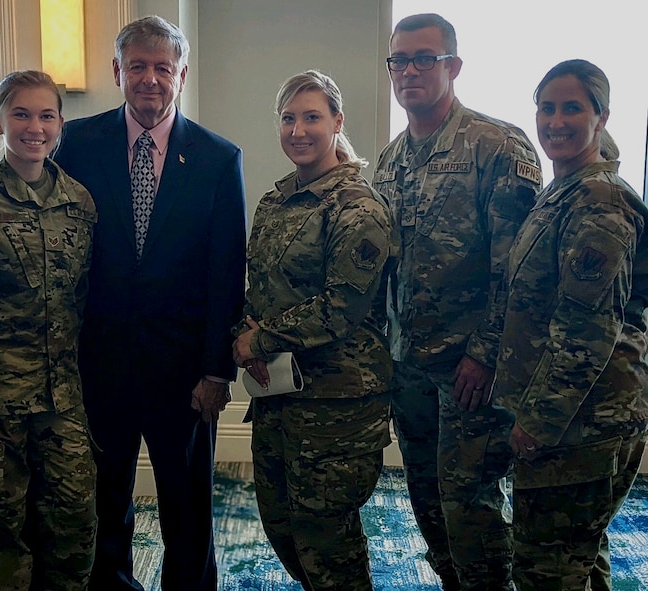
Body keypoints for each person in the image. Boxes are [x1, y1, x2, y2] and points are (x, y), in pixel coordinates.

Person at [52, 15, 247, 591]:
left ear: (182, 74)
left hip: (184, 374)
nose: (150, 79)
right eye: (137, 66)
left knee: (186, 509)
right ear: (117, 71)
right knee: (103, 502)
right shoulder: (76, 143)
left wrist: (217, 369)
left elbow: (225, 273)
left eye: (164, 68)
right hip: (99, 367)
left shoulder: (217, 158)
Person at [372, 13, 542, 591]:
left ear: (453, 66)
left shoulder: (496, 146)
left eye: (425, 58)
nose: (410, 71)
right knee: (425, 497)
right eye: (400, 60)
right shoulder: (391, 161)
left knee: (469, 505)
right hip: (408, 366)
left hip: (469, 369)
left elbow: (517, 272)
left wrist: (488, 353)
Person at [231, 70, 391, 591]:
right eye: (288, 118)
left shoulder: (357, 206)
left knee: (329, 546)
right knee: (282, 529)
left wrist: (261, 340)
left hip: (337, 405)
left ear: (337, 123)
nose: (298, 130)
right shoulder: (275, 202)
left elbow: (341, 307)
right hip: (278, 394)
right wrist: (244, 332)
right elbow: (258, 287)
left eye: (312, 117)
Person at [492, 59, 648, 591]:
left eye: (572, 108)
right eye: (547, 107)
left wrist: (536, 419)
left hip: (584, 422)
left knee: (546, 569)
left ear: (601, 117)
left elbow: (586, 331)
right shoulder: (563, 191)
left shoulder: (601, 201)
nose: (555, 121)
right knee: (578, 558)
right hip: (572, 418)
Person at [0, 70, 98, 591]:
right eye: (21, 114)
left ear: (60, 124)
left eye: (47, 115)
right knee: (1, 535)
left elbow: (86, 297)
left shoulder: (80, 202)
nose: (35, 127)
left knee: (75, 526)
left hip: (64, 399)